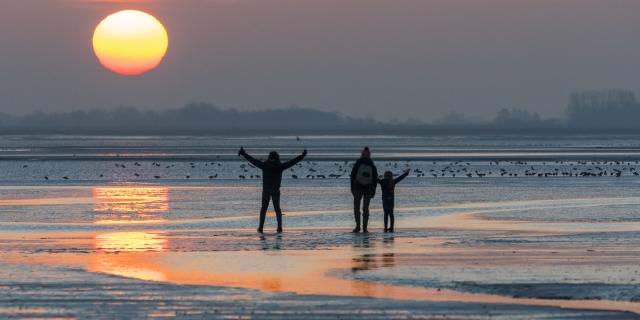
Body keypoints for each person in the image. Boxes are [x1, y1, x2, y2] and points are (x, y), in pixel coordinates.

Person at [238, 147, 307, 233]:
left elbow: (253, 161)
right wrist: (302, 156)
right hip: (275, 190)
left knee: (264, 209)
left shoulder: (265, 165)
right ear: (277, 158)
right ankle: (279, 227)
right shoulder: (280, 166)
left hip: (267, 190)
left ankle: (261, 227)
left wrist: (244, 154)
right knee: (277, 209)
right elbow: (292, 162)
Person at [350, 147, 378, 233]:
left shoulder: (357, 163)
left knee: (356, 208)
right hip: (368, 188)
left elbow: (352, 176)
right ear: (369, 155)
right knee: (366, 208)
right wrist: (374, 190)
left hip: (357, 188)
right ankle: (365, 228)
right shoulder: (371, 164)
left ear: (362, 154)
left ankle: (358, 226)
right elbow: (375, 178)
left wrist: (352, 188)